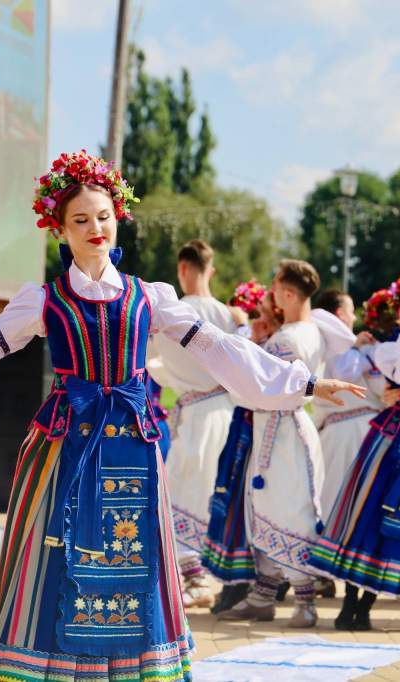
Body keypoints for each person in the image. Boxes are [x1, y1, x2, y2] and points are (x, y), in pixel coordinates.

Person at [0, 151, 364, 682]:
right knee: (55, 556)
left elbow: (222, 349)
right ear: (61, 229)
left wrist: (305, 383)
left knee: (135, 559)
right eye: (81, 220)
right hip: (65, 444)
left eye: (103, 216)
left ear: (117, 217)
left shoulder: (152, 297)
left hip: (132, 444)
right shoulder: (43, 301)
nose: (95, 228)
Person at [311, 273, 400, 631]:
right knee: (367, 513)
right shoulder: (389, 348)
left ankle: (369, 602)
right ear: (398, 311)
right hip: (392, 438)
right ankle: (350, 604)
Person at [218, 259, 335, 628]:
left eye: (274, 288)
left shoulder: (287, 339)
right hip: (290, 427)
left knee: (284, 510)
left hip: (280, 432)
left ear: (286, 293)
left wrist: (249, 345)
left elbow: (259, 387)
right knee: (281, 506)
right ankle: (264, 595)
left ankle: (304, 601)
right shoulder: (311, 330)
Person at [146, 239, 238, 609]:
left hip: (197, 412)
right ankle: (224, 573)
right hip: (230, 411)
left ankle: (196, 575)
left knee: (186, 490)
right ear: (210, 270)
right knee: (220, 491)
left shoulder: (171, 313)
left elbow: (151, 362)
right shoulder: (231, 316)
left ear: (183, 269)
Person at [203, 286, 281, 614]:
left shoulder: (281, 344)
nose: (258, 320)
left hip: (262, 431)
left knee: (252, 503)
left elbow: (254, 383)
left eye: (263, 314)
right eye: (256, 313)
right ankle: (233, 580)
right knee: (230, 498)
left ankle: (256, 584)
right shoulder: (261, 342)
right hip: (243, 428)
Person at [310, 289, 387, 599]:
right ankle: (323, 572)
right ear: (339, 314)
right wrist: (364, 349)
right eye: (351, 310)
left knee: (357, 501)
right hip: (341, 430)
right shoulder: (332, 344)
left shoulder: (355, 346)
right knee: (330, 501)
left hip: (363, 428)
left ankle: (348, 571)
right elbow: (346, 370)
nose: (354, 317)